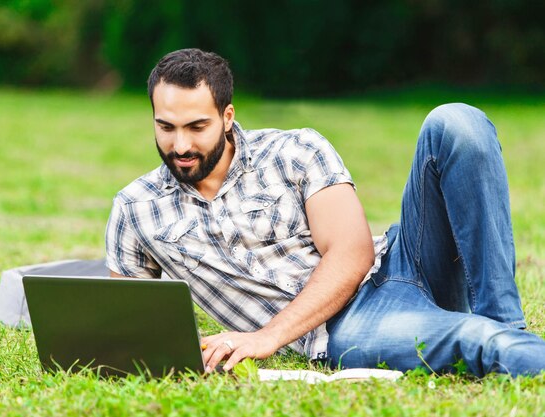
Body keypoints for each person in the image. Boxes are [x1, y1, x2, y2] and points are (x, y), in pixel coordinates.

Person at [105, 48, 545, 377]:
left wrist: (266, 337)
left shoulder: (295, 150)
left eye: (196, 127)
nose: (180, 146)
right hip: (348, 326)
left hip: (399, 262)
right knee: (475, 341)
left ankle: (506, 323)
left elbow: (352, 254)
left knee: (457, 122)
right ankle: (503, 342)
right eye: (166, 127)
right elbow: (128, 327)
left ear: (226, 116)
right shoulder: (136, 210)